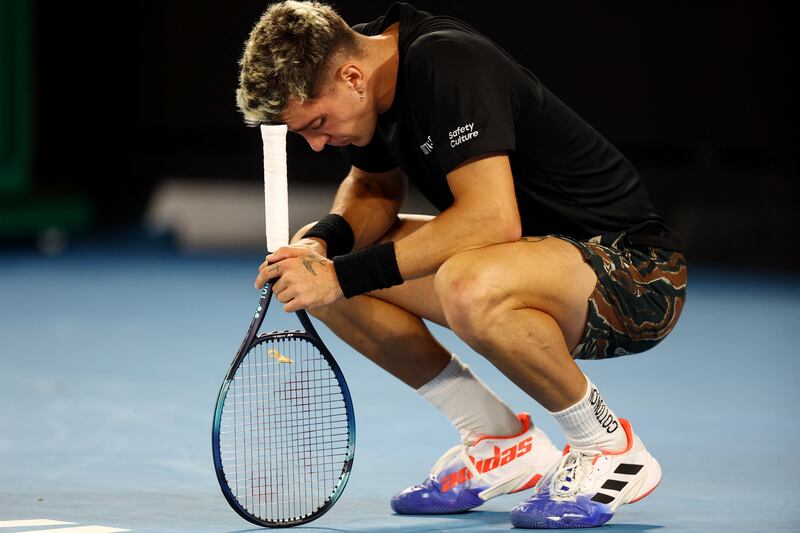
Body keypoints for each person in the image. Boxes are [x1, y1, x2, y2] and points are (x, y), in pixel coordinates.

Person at [237, 1, 687, 528]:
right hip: (535, 260)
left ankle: (608, 446)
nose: (315, 144)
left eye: (316, 123)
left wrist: (343, 278)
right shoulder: (364, 67)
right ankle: (500, 441)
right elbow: (375, 186)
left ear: (351, 77)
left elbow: (492, 221)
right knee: (321, 261)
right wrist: (323, 246)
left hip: (634, 274)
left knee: (464, 281)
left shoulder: (448, 64)